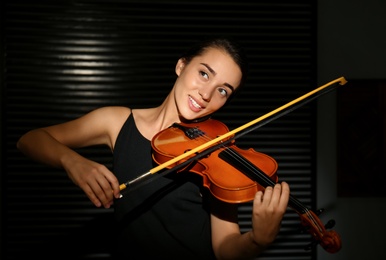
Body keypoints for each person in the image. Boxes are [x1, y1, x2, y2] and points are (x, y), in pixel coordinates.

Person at [17, 38, 290, 259]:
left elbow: (224, 248)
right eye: (204, 73)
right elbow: (29, 139)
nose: (206, 94)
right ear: (181, 66)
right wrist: (72, 161)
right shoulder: (117, 122)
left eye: (223, 91)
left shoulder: (216, 151)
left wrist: (256, 240)